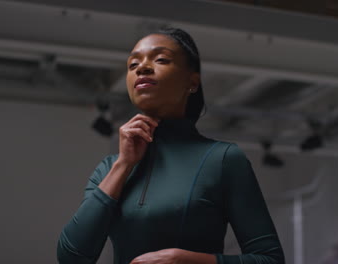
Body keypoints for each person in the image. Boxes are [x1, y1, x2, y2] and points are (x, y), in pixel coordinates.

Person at [57, 27, 285, 264]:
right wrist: (124, 165)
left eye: (161, 59)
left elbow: (270, 260)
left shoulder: (223, 159)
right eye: (133, 65)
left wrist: (187, 261)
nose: (142, 68)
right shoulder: (109, 169)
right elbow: (71, 258)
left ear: (192, 82)